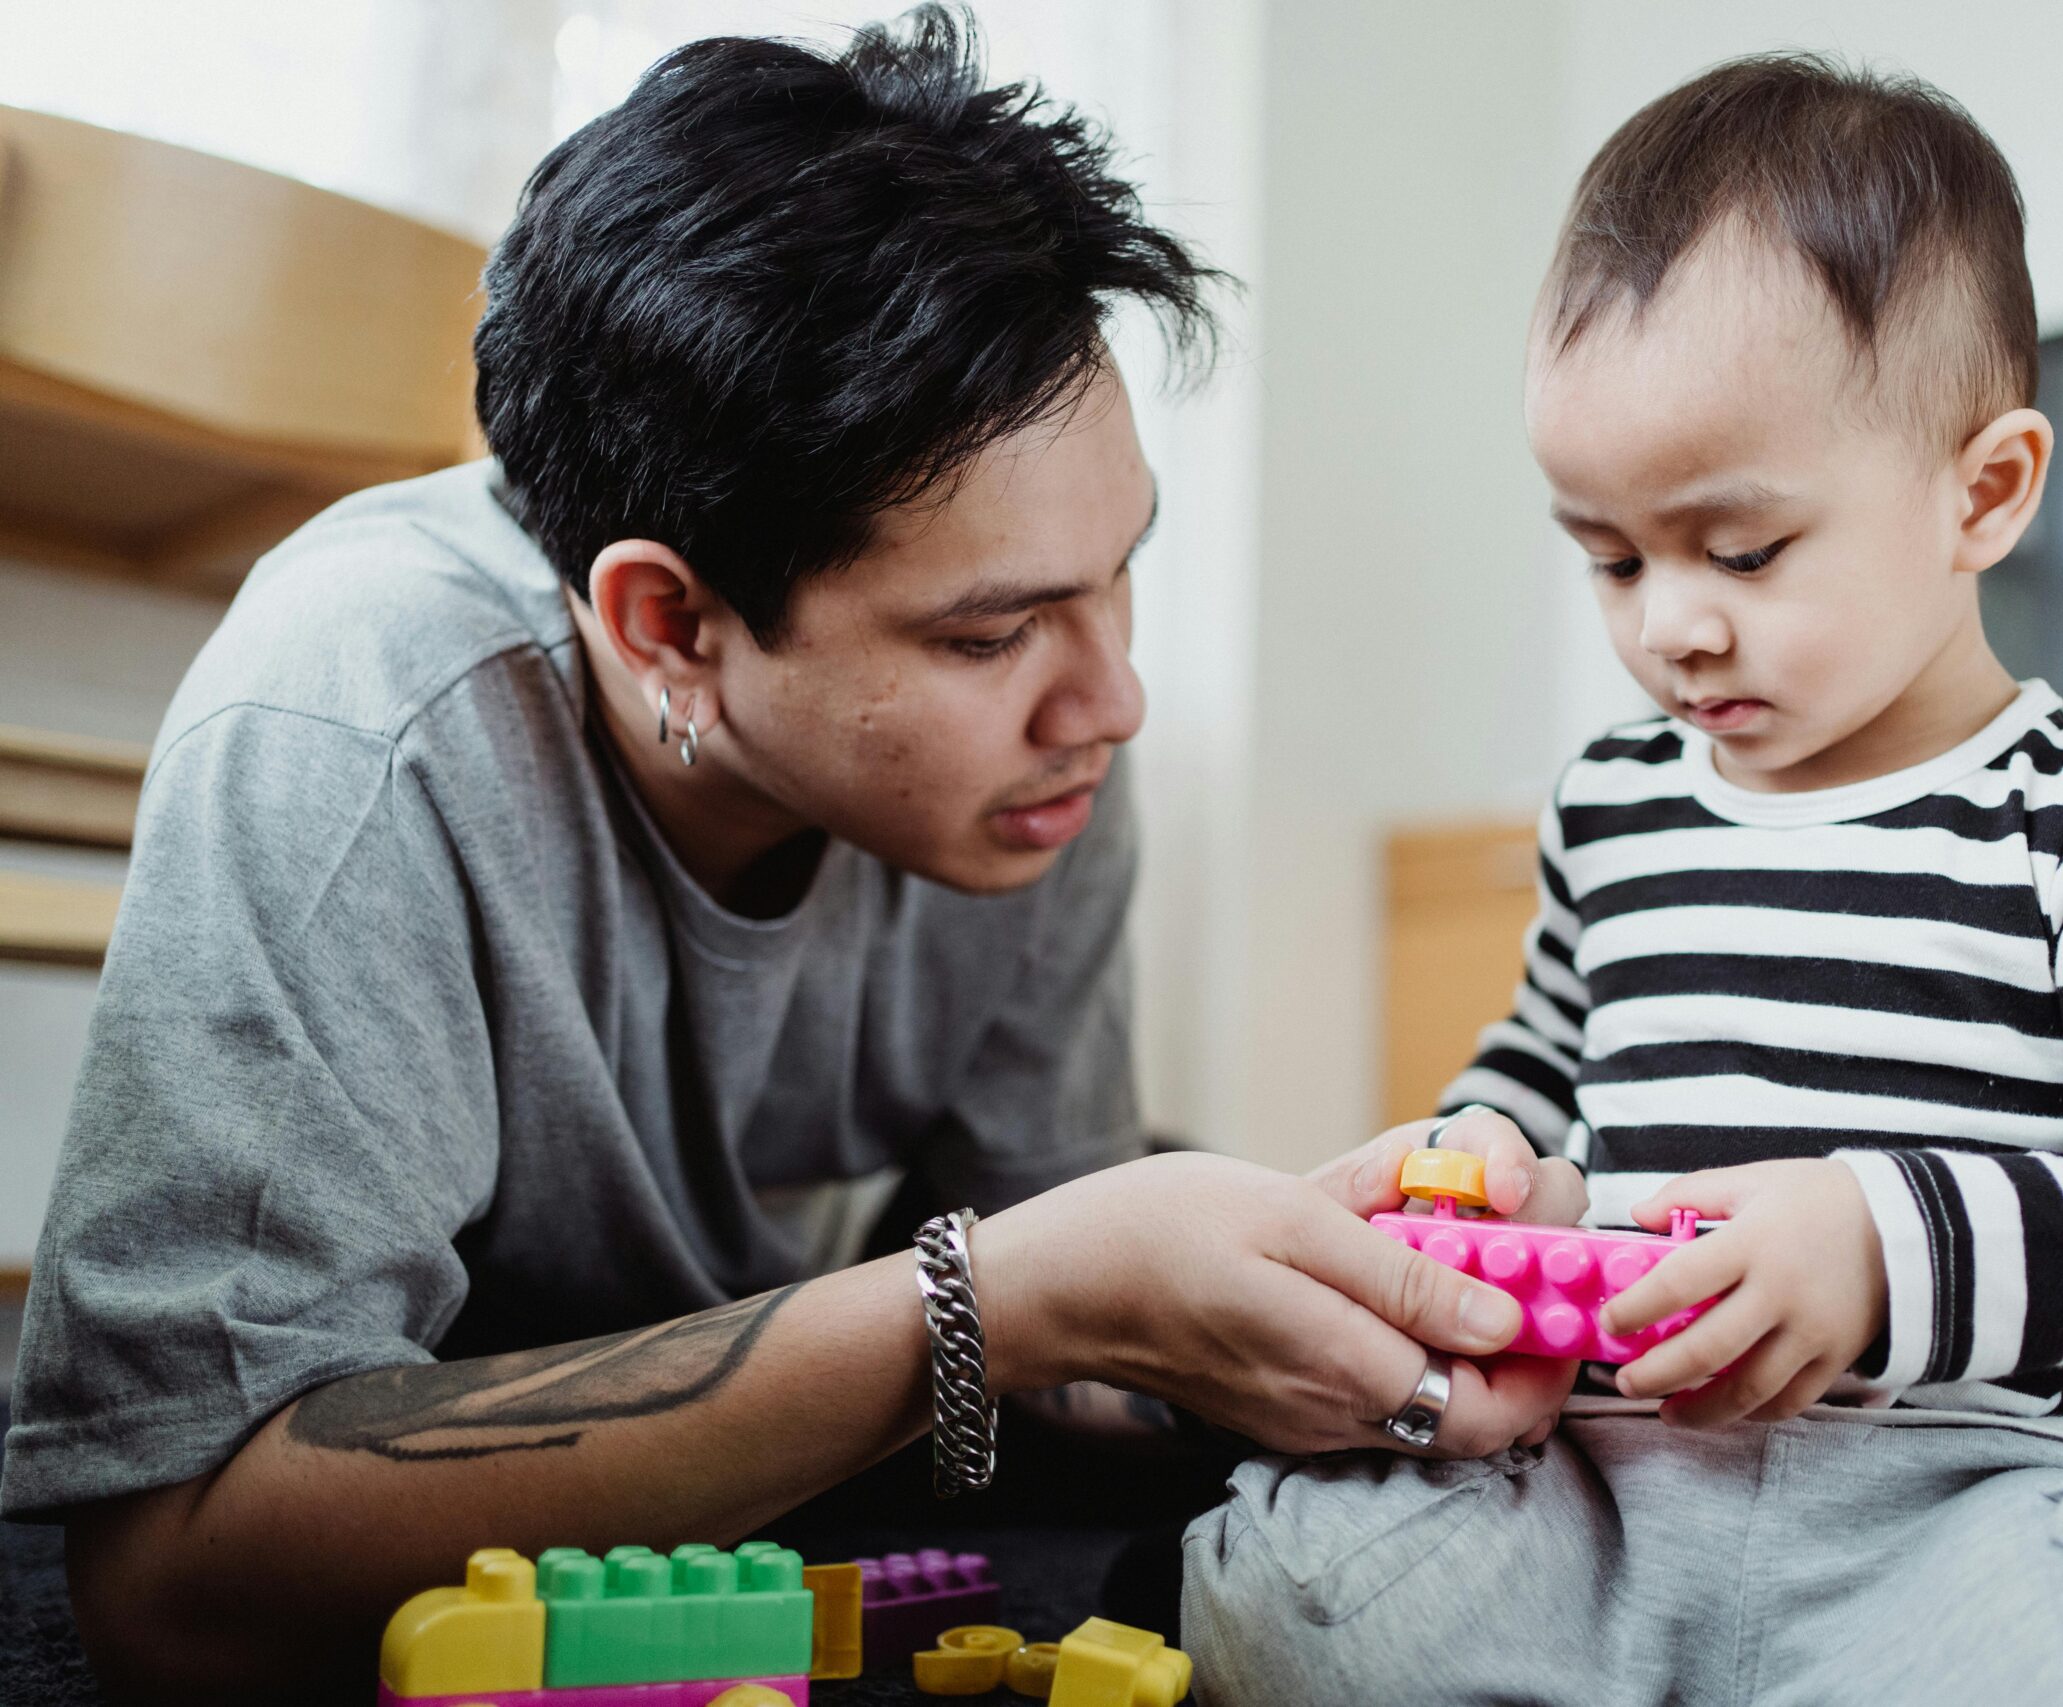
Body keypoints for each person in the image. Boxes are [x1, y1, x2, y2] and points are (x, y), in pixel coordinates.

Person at [0, 11, 1583, 1695]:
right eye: (989, 638)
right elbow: (167, 1585)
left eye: (1118, 571)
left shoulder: (1043, 767)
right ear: (668, 622)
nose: (1110, 701)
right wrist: (1000, 1297)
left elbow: (1048, 1326)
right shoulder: (358, 734)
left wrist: (1289, 1303)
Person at [1181, 54, 2063, 1706]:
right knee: (1288, 1605)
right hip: (1613, 1488)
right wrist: (1480, 1155)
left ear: (1983, 492)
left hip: (1978, 1496)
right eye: (1611, 557)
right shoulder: (1618, 802)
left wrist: (1888, 1245)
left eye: (1741, 552)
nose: (1667, 625)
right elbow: (1544, 1067)